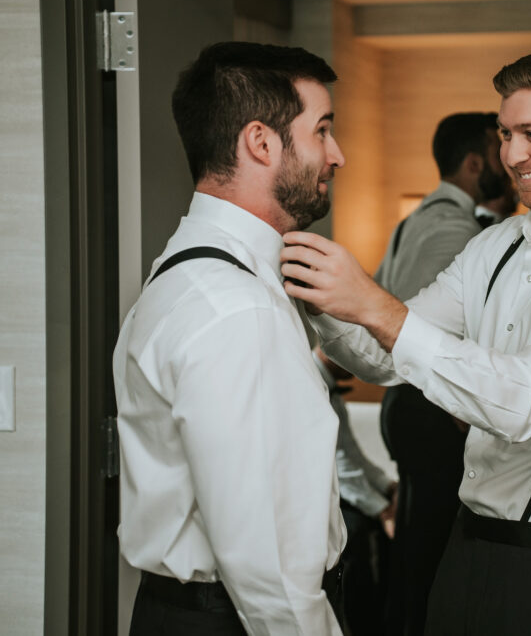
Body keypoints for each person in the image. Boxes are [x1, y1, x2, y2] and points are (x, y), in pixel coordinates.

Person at [281, 44, 531, 636]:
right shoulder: (494, 246)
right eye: (505, 133)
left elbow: (526, 402)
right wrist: (312, 291)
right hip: (468, 546)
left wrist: (374, 303)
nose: (511, 155)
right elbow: (378, 356)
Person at [113, 41, 347, 635]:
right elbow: (267, 567)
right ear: (261, 142)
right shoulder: (235, 306)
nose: (336, 155)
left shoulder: (185, 269)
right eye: (322, 130)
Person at [373, 111, 505, 636]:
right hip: (434, 407)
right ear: (475, 163)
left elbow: (385, 297)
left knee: (414, 544)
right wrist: (466, 417)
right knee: (434, 552)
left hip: (400, 404)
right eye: (500, 151)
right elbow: (450, 334)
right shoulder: (457, 229)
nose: (510, 163)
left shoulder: (413, 222)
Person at [314, 347, 396, 636]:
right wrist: (381, 508)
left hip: (336, 492)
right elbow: (337, 467)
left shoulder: (332, 392)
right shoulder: (313, 387)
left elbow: (353, 455)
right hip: (318, 500)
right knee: (357, 531)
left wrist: (387, 485)